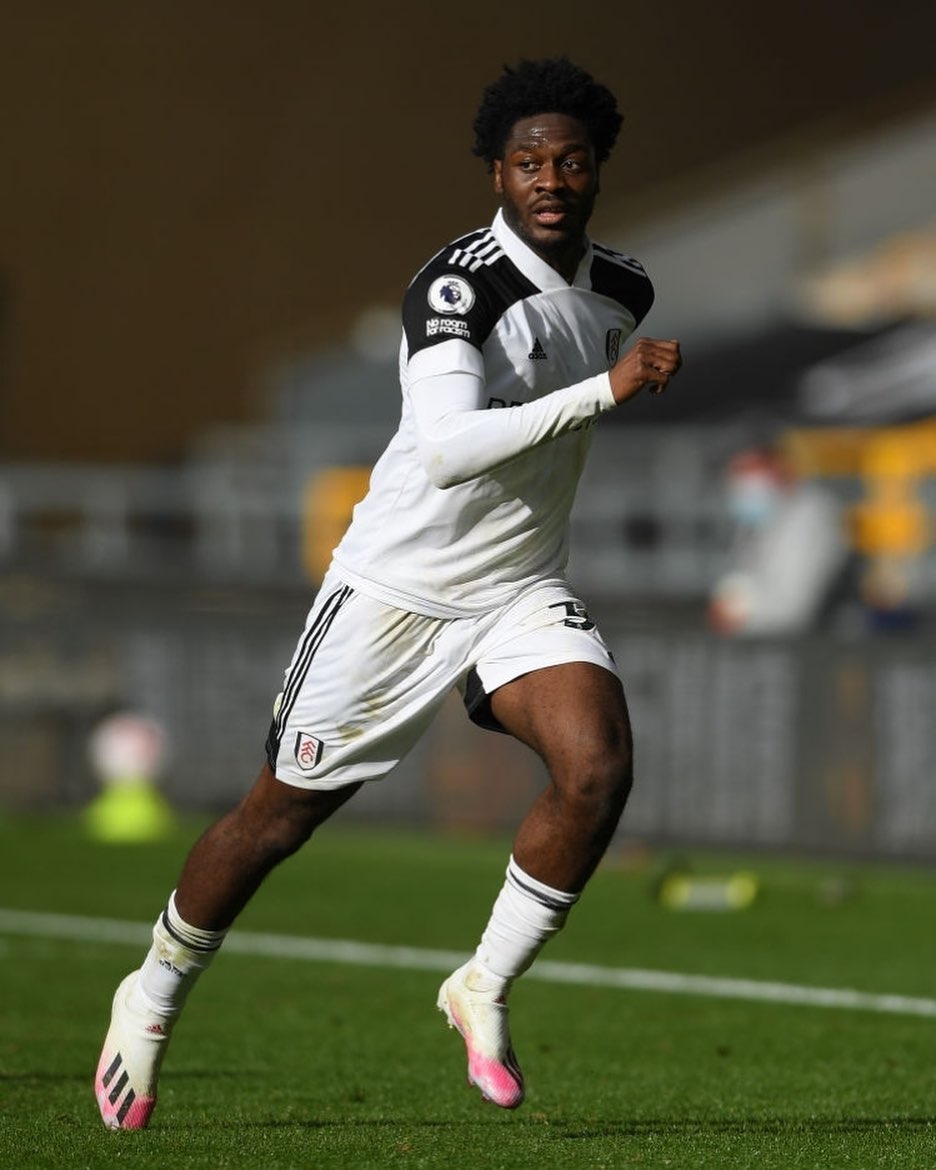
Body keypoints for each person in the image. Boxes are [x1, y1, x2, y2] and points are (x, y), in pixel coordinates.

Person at [94, 56, 682, 1130]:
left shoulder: (623, 290)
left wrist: (606, 378)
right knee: (274, 823)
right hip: (397, 592)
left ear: (598, 171)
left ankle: (482, 984)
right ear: (495, 175)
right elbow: (452, 449)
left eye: (570, 160)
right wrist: (609, 386)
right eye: (525, 161)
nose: (548, 176)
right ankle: (154, 991)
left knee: (597, 769)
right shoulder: (455, 287)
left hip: (515, 586)